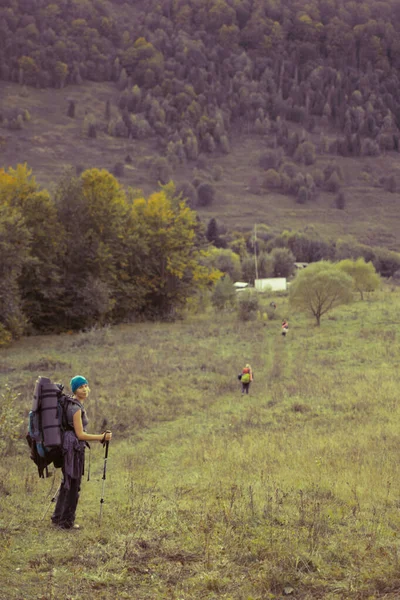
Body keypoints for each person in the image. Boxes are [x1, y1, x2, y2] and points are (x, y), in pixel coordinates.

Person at [51, 375, 112, 530]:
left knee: (67, 481)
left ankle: (58, 517)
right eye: (80, 387)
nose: (84, 389)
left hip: (67, 445)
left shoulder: (70, 402)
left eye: (85, 385)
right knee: (73, 484)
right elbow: (80, 435)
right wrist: (101, 437)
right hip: (73, 448)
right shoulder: (75, 408)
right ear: (75, 390)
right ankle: (66, 523)